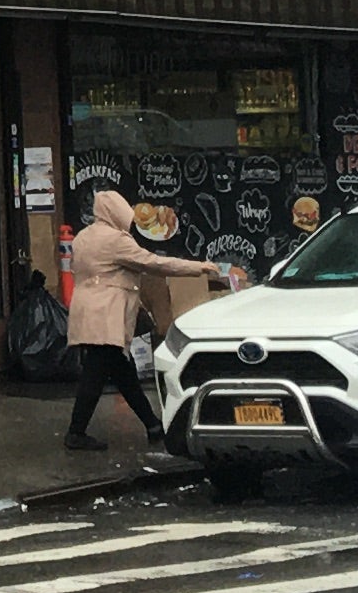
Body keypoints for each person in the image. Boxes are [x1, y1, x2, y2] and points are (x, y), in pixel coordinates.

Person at [61, 184, 235, 453]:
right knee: (96, 374)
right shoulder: (116, 240)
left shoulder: (84, 237)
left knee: (122, 371)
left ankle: (152, 425)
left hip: (88, 312)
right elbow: (154, 263)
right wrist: (198, 268)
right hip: (106, 314)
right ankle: (76, 432)